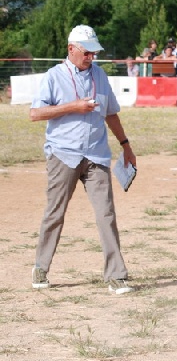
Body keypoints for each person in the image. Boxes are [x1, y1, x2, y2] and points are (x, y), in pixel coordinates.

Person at [29, 24, 136, 294]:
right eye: (87, 52)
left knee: (106, 214)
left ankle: (116, 275)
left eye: (94, 53)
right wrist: (72, 107)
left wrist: (125, 145)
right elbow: (35, 114)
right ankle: (41, 266)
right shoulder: (54, 76)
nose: (91, 57)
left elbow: (111, 113)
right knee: (55, 213)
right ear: (71, 50)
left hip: (96, 155)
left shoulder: (100, 75)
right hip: (63, 154)